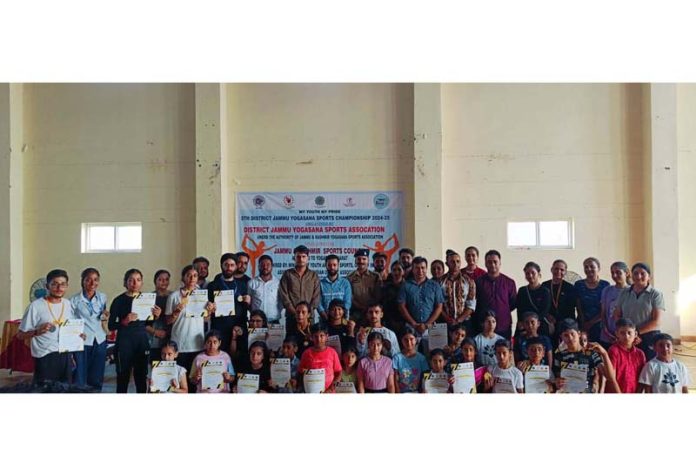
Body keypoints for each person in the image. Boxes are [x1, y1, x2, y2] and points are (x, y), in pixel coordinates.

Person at [18, 269, 78, 384]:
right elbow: (20, 335)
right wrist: (37, 332)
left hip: (64, 355)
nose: (59, 288)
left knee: (65, 391)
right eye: (55, 284)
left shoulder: (67, 304)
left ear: (67, 286)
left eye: (63, 284)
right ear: (47, 286)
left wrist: (77, 337)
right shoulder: (35, 306)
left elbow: (68, 328)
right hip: (44, 356)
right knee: (44, 391)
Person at [109, 269, 161, 393]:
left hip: (142, 342)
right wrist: (124, 321)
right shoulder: (119, 300)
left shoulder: (147, 299)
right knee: (123, 378)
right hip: (124, 343)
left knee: (141, 378)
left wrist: (157, 316)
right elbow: (111, 325)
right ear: (125, 282)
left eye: (138, 280)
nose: (134, 283)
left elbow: (148, 323)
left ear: (142, 282)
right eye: (131, 280)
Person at [166, 265, 214, 381]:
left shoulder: (202, 295)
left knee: (195, 379)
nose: (192, 278)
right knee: (181, 379)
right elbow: (167, 321)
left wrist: (210, 310)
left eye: (195, 276)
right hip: (180, 343)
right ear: (183, 278)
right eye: (189, 275)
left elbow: (206, 319)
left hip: (197, 343)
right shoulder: (174, 296)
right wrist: (175, 312)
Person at [613, 262, 665, 361]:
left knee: (648, 366)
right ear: (631, 275)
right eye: (635, 273)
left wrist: (636, 333)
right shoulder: (624, 293)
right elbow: (617, 315)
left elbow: (656, 321)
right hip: (627, 337)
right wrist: (627, 334)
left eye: (642, 273)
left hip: (648, 336)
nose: (638, 276)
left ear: (649, 276)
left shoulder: (656, 295)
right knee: (629, 365)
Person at [69, 268, 109, 390]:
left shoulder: (102, 297)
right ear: (82, 281)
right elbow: (70, 322)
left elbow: (102, 317)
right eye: (88, 280)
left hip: (100, 339)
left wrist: (105, 315)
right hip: (82, 340)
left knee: (97, 374)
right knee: (81, 374)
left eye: (95, 280)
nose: (92, 283)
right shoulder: (74, 300)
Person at [397, 256, 444, 351]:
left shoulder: (435, 285)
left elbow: (439, 306)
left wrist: (427, 324)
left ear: (426, 269)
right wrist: (414, 324)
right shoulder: (405, 285)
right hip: (411, 327)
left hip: (433, 326)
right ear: (413, 269)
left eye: (423, 268)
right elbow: (401, 306)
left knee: (437, 355)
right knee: (410, 354)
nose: (420, 271)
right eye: (417, 268)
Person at [207, 253, 250, 353]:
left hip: (238, 327)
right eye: (226, 265)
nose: (229, 268)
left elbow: (245, 308)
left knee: (238, 359)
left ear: (236, 266)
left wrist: (248, 302)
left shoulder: (242, 285)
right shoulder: (213, 285)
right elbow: (207, 309)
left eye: (232, 265)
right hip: (219, 327)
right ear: (221, 265)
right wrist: (209, 306)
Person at [553, 319, 604, 393]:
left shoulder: (591, 354)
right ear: (561, 337)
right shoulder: (559, 356)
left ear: (579, 334)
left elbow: (608, 376)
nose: (570, 338)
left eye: (572, 334)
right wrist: (557, 382)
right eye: (566, 335)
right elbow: (557, 377)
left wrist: (604, 354)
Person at [474, 250, 517, 339]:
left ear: (500, 263)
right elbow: (475, 303)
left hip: (503, 325)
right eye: (489, 262)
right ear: (485, 264)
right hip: (483, 327)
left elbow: (513, 303)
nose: (492, 265)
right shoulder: (478, 282)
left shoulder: (509, 282)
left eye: (495, 262)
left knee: (504, 351)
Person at [279, 245, 320, 330]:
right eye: (298, 257)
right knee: (291, 341)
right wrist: (296, 313)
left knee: (309, 341)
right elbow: (284, 295)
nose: (301, 259)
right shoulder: (287, 274)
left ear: (308, 258)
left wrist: (306, 313)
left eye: (303, 257)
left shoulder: (313, 275)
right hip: (291, 317)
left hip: (309, 318)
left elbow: (316, 296)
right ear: (294, 258)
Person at [298, 323, 342, 393]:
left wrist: (331, 389)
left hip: (329, 393)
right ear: (311, 337)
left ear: (327, 336)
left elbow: (339, 372)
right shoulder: (306, 353)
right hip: (311, 391)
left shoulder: (332, 352)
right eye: (315, 336)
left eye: (322, 336)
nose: (318, 339)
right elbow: (300, 372)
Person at [440, 250, 476, 334]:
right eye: (452, 262)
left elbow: (471, 304)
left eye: (458, 261)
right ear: (447, 263)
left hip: (464, 322)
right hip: (445, 322)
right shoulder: (441, 281)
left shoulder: (469, 281)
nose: (456, 264)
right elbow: (438, 304)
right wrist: (448, 319)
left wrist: (459, 320)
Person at [574, 257, 610, 343]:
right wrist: (583, 323)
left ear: (598, 268)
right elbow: (578, 305)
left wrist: (591, 323)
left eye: (592, 266)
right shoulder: (579, 284)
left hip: (600, 325)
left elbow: (605, 309)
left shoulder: (605, 285)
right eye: (586, 267)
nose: (589, 269)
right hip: (582, 323)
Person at [607, 318, 646, 393]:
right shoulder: (613, 351)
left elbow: (642, 378)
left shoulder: (640, 354)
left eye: (629, 333)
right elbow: (612, 378)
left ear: (635, 334)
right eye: (622, 333)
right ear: (617, 333)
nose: (626, 336)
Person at [599, 261, 631, 348]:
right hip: (608, 336)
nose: (614, 276)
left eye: (618, 272)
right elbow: (603, 313)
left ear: (627, 273)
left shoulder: (632, 291)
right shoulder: (607, 290)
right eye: (612, 273)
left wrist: (622, 335)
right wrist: (607, 332)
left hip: (626, 337)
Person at [542, 259, 577, 336]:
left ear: (565, 272)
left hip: (566, 324)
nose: (558, 272)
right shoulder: (544, 286)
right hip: (549, 323)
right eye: (556, 269)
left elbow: (572, 306)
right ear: (551, 270)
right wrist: (547, 315)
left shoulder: (570, 287)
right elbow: (541, 305)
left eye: (562, 270)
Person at [515, 261, 551, 336]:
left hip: (540, 326)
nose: (530, 276)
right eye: (527, 273)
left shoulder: (545, 291)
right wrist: (522, 324)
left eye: (533, 273)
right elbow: (519, 309)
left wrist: (533, 325)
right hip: (524, 326)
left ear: (539, 274)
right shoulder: (522, 290)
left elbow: (544, 310)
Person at [347, 249, 382, 324]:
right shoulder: (350, 277)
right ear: (355, 261)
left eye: (364, 259)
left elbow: (378, 295)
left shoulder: (375, 276)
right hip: (356, 312)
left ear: (368, 261)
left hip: (373, 312)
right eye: (358, 259)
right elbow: (350, 296)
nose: (361, 261)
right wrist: (361, 307)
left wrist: (369, 308)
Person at [392, 326, 430, 393]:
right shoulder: (397, 358)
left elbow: (425, 377)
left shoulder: (421, 358)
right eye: (405, 340)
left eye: (411, 339)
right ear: (401, 341)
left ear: (416, 340)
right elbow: (395, 378)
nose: (409, 343)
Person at [247, 254, 282, 324]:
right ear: (258, 267)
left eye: (268, 265)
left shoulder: (278, 283)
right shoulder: (251, 283)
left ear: (272, 267)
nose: (265, 267)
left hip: (274, 321)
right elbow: (248, 303)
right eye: (262, 264)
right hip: (256, 323)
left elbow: (281, 302)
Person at [148, 269, 172, 366]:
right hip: (155, 338)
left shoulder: (174, 296)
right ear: (155, 281)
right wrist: (155, 331)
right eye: (160, 279)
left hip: (171, 337)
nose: (163, 282)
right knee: (157, 367)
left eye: (166, 279)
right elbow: (143, 323)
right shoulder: (149, 298)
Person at [318, 254, 352, 321]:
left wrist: (340, 316)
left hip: (342, 319)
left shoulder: (345, 283)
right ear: (326, 266)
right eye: (329, 265)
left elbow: (347, 302)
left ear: (338, 265)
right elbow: (318, 303)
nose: (332, 267)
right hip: (325, 319)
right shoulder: (320, 283)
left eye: (334, 265)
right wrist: (325, 316)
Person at [382, 261, 407, 336]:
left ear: (403, 272)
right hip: (389, 321)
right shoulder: (386, 287)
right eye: (394, 270)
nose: (396, 272)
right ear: (391, 272)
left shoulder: (408, 286)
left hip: (404, 322)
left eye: (399, 270)